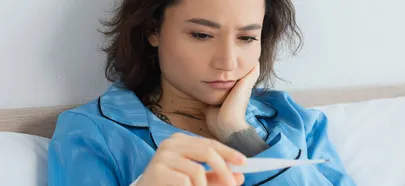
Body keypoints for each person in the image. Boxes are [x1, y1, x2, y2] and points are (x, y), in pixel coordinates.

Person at [47, 0, 356, 185]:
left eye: (247, 38)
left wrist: (241, 135)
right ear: (153, 30)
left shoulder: (295, 121)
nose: (227, 61)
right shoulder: (92, 131)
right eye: (201, 35)